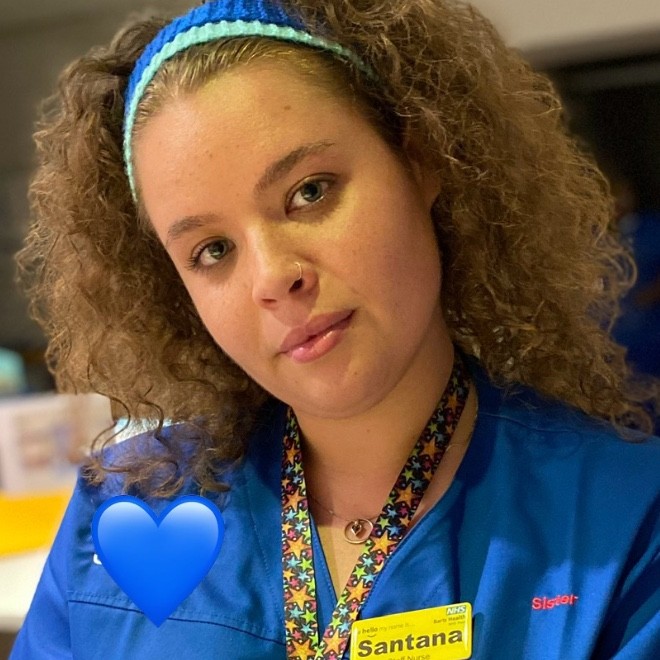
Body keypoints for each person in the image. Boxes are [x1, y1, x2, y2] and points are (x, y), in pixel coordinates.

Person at [10, 0, 660, 658]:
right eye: (212, 250)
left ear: (420, 160)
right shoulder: (118, 513)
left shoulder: (628, 521)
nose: (273, 277)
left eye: (310, 192)